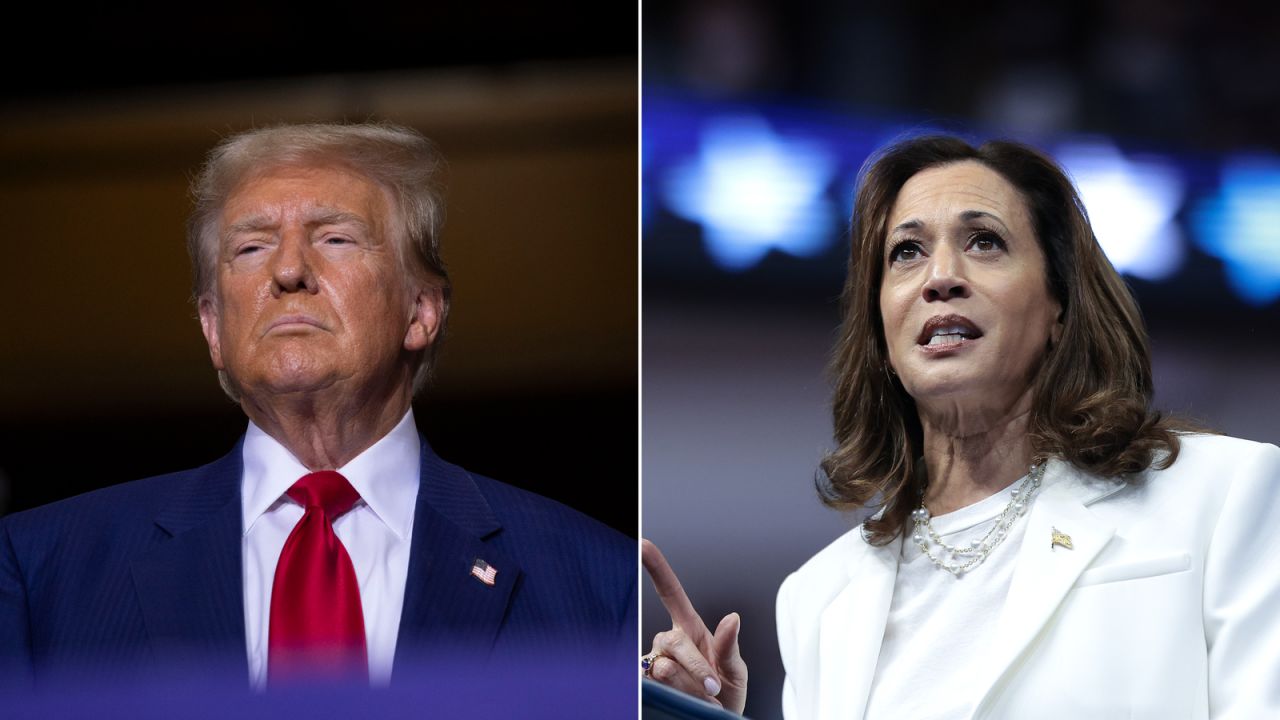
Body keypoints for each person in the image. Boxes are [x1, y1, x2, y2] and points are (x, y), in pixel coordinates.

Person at [643, 135, 1280, 718]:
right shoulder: (818, 598)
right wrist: (707, 718)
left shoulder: (1225, 496)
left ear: (1059, 305)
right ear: (881, 324)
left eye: (984, 242)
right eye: (907, 252)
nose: (941, 278)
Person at [0, 123, 636, 690]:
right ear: (214, 327)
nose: (288, 271)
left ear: (421, 311)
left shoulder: (600, 585)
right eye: (251, 248)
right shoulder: (42, 572)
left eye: (334, 239)